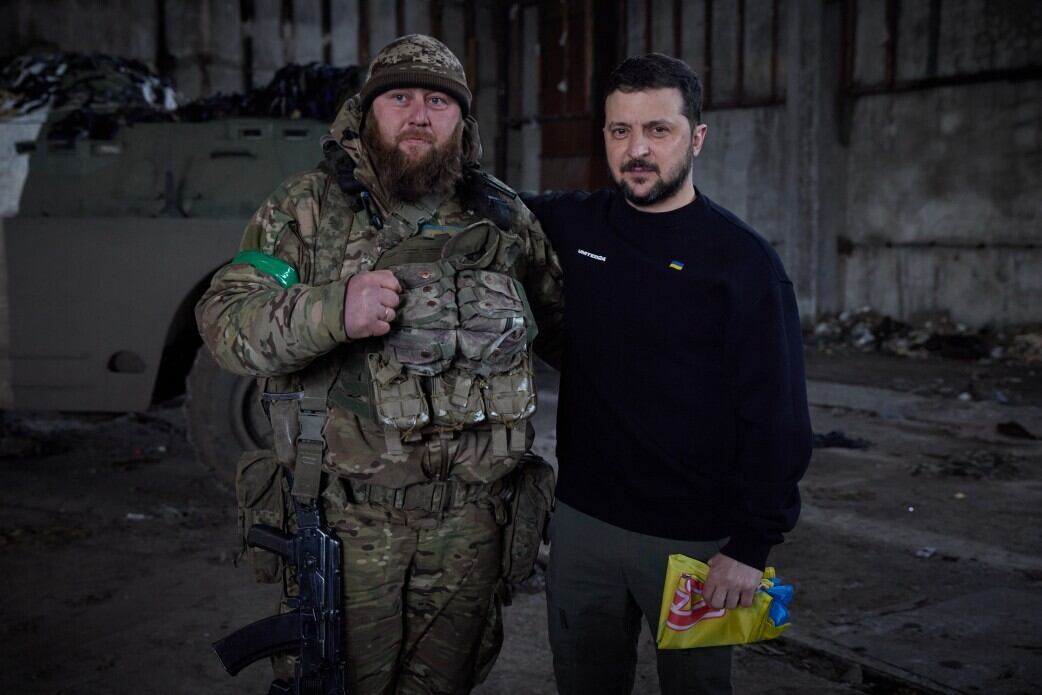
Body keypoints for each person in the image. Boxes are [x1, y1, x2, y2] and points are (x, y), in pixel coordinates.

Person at [196, 34, 563, 695]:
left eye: (437, 101)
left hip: (474, 529)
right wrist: (333, 310)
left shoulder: (505, 217)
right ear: (368, 112)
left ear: (462, 120)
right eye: (399, 97)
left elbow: (566, 331)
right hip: (349, 522)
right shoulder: (304, 209)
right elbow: (224, 324)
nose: (418, 113)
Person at [521, 53, 812, 695]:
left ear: (697, 137)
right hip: (582, 528)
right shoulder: (575, 224)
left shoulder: (742, 263)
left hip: (697, 544)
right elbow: (484, 200)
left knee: (698, 689)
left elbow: (780, 416)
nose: (638, 150)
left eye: (659, 129)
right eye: (620, 131)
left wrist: (751, 546)